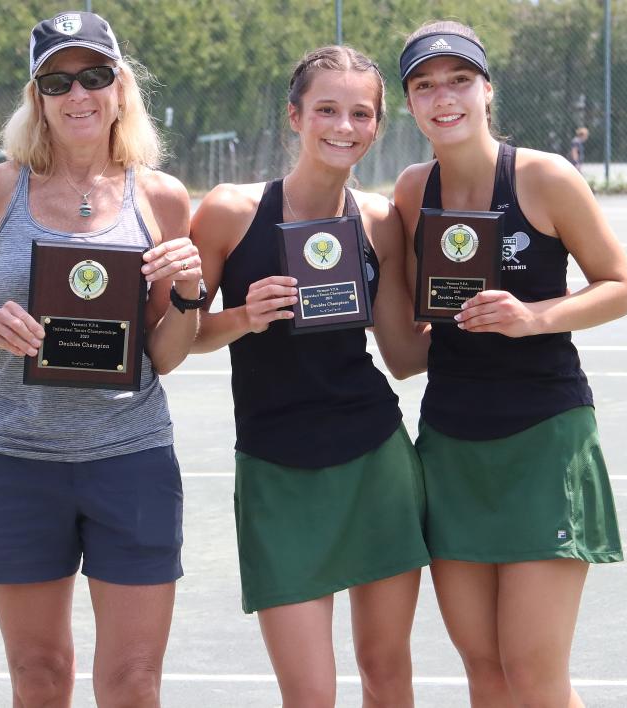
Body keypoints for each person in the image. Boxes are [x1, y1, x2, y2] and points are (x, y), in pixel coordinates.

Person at [0, 12, 202, 708]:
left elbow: (164, 356)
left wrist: (191, 293)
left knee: (132, 684)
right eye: (58, 80)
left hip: (131, 458)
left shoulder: (162, 197)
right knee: (39, 677)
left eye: (95, 75)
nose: (77, 93)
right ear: (37, 97)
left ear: (121, 89)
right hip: (18, 460)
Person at [395, 21, 627, 708]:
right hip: (450, 444)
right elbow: (412, 328)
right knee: (487, 672)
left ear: (486, 90)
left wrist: (537, 317)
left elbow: (621, 285)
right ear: (410, 103)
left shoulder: (543, 176)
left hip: (543, 437)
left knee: (535, 677)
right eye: (424, 85)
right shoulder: (413, 192)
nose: (444, 98)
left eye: (458, 80)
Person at [190, 46, 430, 707]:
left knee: (388, 676)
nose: (343, 127)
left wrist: (491, 313)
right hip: (276, 471)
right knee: (310, 695)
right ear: (294, 116)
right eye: (326, 109)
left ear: (378, 125)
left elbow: (404, 355)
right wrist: (244, 314)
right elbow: (176, 341)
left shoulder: (380, 221)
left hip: (374, 460)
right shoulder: (229, 212)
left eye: (361, 113)